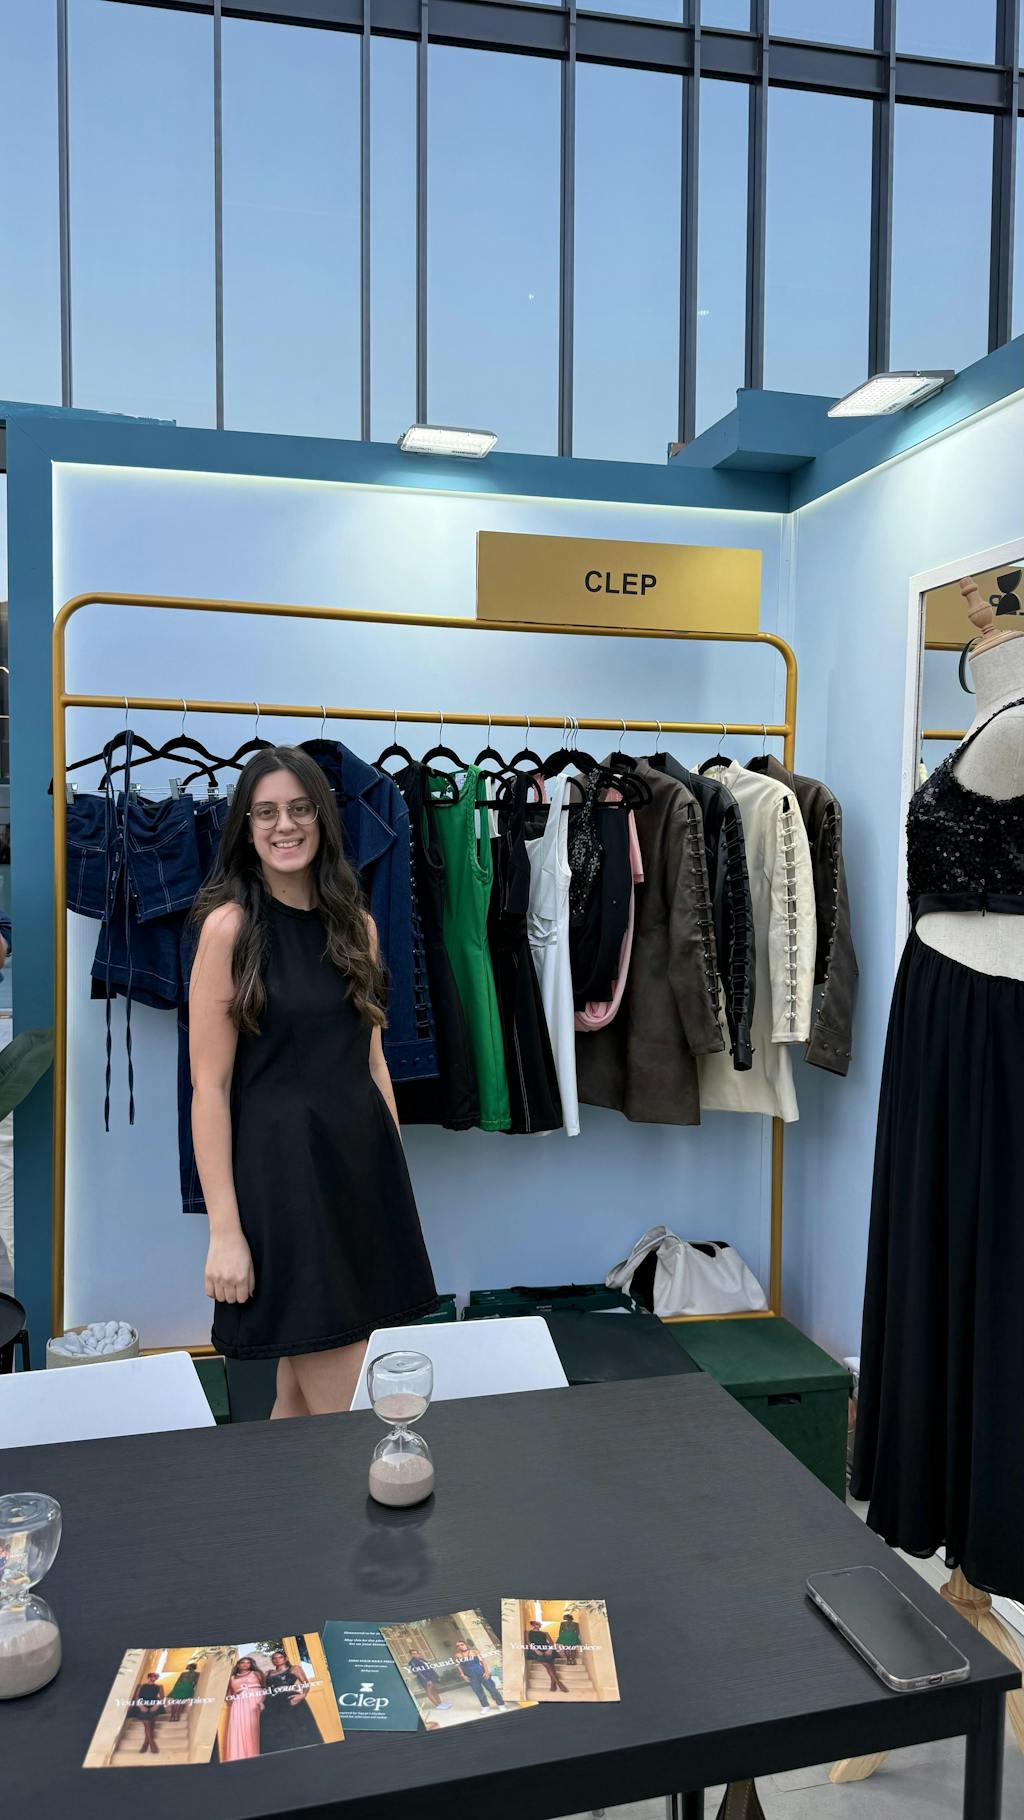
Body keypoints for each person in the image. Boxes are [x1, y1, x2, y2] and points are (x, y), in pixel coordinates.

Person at [188, 747, 438, 1417]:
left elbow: (373, 1063)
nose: (285, 825)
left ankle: (278, 1494)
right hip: (286, 1184)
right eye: (266, 812)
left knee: (299, 1398)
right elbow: (209, 1089)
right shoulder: (230, 929)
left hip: (358, 1170)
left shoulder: (358, 927)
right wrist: (224, 1231)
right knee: (355, 1413)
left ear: (323, 819)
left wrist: (391, 1181)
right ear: (246, 828)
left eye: (300, 809)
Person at [259, 1648, 322, 1754]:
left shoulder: (294, 1668)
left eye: (280, 1657)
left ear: (286, 1659)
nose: (277, 1660)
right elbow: (264, 1689)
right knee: (276, 1730)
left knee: (295, 1728)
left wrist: (303, 1695)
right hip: (272, 1703)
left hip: (290, 1700)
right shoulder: (268, 1673)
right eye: (274, 1658)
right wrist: (261, 1702)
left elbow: (305, 1683)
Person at [222, 1657, 265, 1762]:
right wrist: (233, 1701)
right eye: (243, 1662)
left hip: (255, 1702)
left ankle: (255, 1757)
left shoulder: (256, 1674)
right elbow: (228, 1694)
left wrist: (262, 1701)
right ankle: (239, 1758)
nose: (245, 1664)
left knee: (253, 1729)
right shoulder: (232, 1678)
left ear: (251, 1664)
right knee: (239, 1729)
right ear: (238, 1665)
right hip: (239, 1704)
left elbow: (264, 1689)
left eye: (248, 1663)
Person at [455, 1640, 504, 1710]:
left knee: (491, 1689)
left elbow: (483, 1662)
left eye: (462, 1644)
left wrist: (487, 1672)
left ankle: (501, 1704)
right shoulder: (457, 1655)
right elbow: (458, 1666)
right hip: (470, 1676)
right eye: (458, 1646)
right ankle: (485, 1706)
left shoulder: (475, 1652)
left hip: (481, 1673)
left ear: (466, 1644)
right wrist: (462, 1675)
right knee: (478, 1691)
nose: (460, 1646)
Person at [127, 1670, 165, 1754]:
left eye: (155, 1677)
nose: (154, 1678)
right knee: (147, 1725)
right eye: (152, 1676)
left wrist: (156, 1705)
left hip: (153, 1706)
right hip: (142, 1706)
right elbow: (136, 1697)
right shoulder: (141, 1686)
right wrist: (141, 1706)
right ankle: (152, 1744)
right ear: (148, 1677)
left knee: (151, 1726)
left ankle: (145, 1745)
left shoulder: (159, 1686)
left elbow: (162, 1698)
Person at [525, 1619, 567, 1692]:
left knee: (551, 1666)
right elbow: (528, 1642)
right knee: (548, 1665)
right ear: (532, 1625)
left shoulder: (545, 1633)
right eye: (536, 1624)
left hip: (547, 1649)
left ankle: (553, 1683)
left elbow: (551, 1642)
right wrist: (536, 1650)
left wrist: (550, 1649)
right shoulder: (528, 1632)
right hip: (536, 1650)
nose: (538, 1625)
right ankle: (559, 1683)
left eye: (539, 1624)